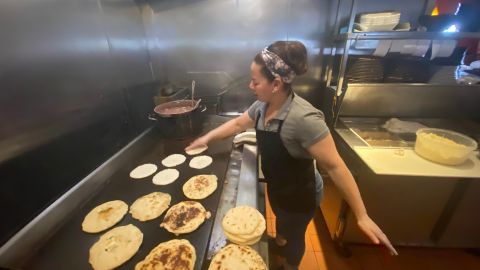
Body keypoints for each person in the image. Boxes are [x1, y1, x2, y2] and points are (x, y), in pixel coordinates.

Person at [186, 41, 397, 270]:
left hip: (300, 197)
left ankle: (290, 264)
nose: (250, 86)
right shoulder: (261, 106)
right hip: (278, 187)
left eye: (255, 81)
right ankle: (281, 241)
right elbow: (238, 123)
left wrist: (362, 215)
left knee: (295, 237)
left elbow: (336, 167)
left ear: (276, 84)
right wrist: (206, 139)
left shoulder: (304, 119)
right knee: (283, 224)